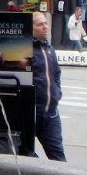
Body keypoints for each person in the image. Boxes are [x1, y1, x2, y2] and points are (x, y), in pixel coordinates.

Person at [29, 11, 66, 161]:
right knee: (27, 156)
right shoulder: (27, 50)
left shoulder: (50, 50)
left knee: (59, 158)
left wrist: (57, 93)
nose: (45, 27)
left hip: (50, 113)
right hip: (32, 114)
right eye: (40, 24)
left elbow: (56, 74)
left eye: (46, 23)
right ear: (31, 28)